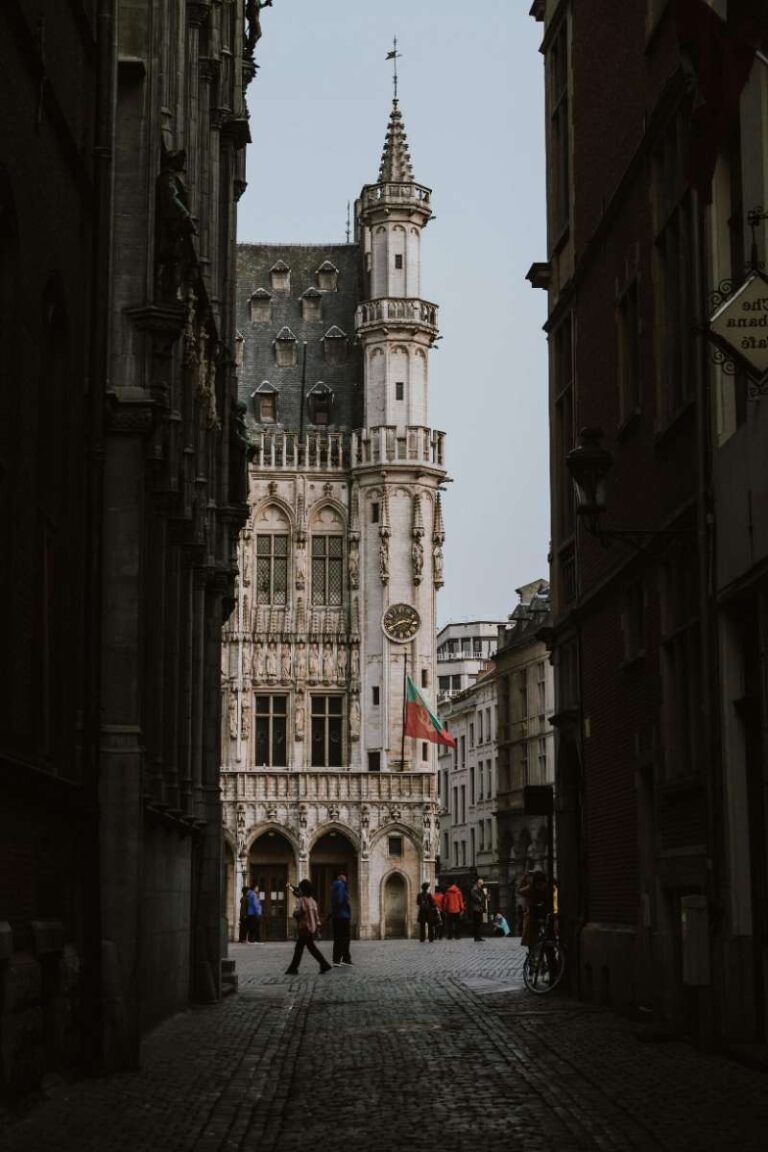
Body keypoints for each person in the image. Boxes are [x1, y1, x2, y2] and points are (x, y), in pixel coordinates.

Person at [285, 880, 332, 975]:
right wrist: (318, 927)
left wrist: (296, 914)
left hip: (304, 927)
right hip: (311, 928)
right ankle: (324, 964)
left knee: (299, 949)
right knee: (311, 947)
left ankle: (293, 968)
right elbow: (316, 916)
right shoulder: (313, 901)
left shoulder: (301, 900)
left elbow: (297, 913)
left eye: (300, 888)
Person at [518, 868, 549, 948]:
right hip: (535, 916)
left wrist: (525, 877)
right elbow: (520, 891)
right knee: (532, 938)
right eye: (538, 885)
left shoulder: (532, 888)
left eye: (541, 884)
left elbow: (519, 890)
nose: (540, 887)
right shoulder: (531, 889)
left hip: (538, 916)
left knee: (537, 938)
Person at [330, 869, 353, 966]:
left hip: (337, 916)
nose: (346, 879)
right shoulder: (340, 884)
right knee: (344, 938)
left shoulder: (334, 885)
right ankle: (343, 959)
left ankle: (339, 959)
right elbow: (340, 900)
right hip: (342, 916)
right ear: (340, 876)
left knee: (338, 938)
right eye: (344, 876)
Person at [469, 877, 487, 942]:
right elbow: (476, 898)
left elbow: (483, 897)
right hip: (476, 908)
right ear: (478, 882)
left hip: (479, 908)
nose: (482, 883)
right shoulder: (475, 889)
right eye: (481, 882)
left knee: (479, 923)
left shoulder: (479, 889)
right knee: (477, 923)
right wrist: (480, 898)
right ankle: (477, 937)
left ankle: (478, 937)